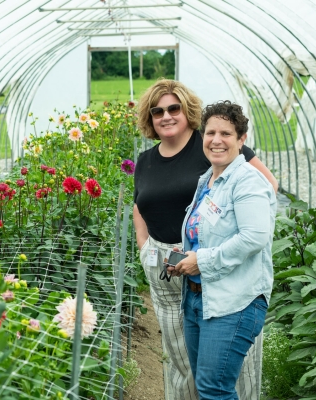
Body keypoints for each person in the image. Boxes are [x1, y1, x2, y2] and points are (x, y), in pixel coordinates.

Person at [133, 79, 277, 399]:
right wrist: (146, 248)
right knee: (181, 355)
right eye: (158, 110)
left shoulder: (215, 151)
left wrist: (206, 255)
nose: (166, 115)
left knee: (223, 373)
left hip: (215, 272)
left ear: (188, 112)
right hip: (169, 264)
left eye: (174, 108)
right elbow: (139, 205)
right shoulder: (153, 162)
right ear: (150, 117)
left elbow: (263, 199)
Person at [169, 101, 275, 399]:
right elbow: (205, 233)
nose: (216, 140)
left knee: (214, 390)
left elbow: (254, 237)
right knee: (209, 387)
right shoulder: (209, 180)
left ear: (241, 140)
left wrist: (201, 261)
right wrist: (183, 255)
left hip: (234, 302)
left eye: (226, 133)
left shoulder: (247, 181)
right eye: (210, 132)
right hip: (198, 298)